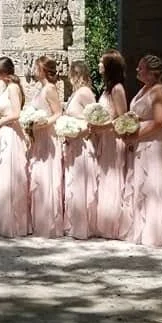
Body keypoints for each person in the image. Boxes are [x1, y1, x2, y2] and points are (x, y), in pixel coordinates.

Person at [121, 55, 162, 247]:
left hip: (155, 144)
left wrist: (134, 134)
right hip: (143, 143)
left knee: (153, 183)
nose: (137, 71)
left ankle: (155, 232)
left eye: (140, 68)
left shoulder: (160, 91)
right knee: (141, 184)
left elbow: (160, 121)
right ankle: (142, 228)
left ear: (152, 72)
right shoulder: (144, 89)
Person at [0, 57, 30, 238]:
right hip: (2, 132)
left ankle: (14, 223)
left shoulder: (13, 88)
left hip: (10, 134)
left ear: (5, 71)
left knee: (9, 175)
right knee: (1, 176)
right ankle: (1, 219)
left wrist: (0, 122)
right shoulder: (3, 87)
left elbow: (16, 114)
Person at [93, 50, 129, 240]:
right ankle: (105, 221)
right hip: (104, 138)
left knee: (113, 176)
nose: (99, 65)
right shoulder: (106, 89)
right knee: (104, 176)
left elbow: (122, 118)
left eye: (101, 62)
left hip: (113, 139)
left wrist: (101, 126)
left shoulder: (117, 89)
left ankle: (114, 223)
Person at [28, 56, 65, 238]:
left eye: (36, 67)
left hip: (47, 136)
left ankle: (49, 223)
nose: (33, 69)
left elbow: (58, 113)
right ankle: (38, 220)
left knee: (47, 176)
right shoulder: (39, 89)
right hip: (38, 136)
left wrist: (44, 123)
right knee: (37, 176)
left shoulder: (50, 89)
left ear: (42, 69)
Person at [62, 61, 98, 239]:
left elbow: (93, 120)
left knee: (80, 182)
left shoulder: (85, 93)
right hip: (72, 143)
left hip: (82, 143)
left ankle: (83, 225)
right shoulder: (76, 93)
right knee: (73, 182)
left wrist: (76, 131)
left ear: (76, 74)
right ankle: (73, 222)